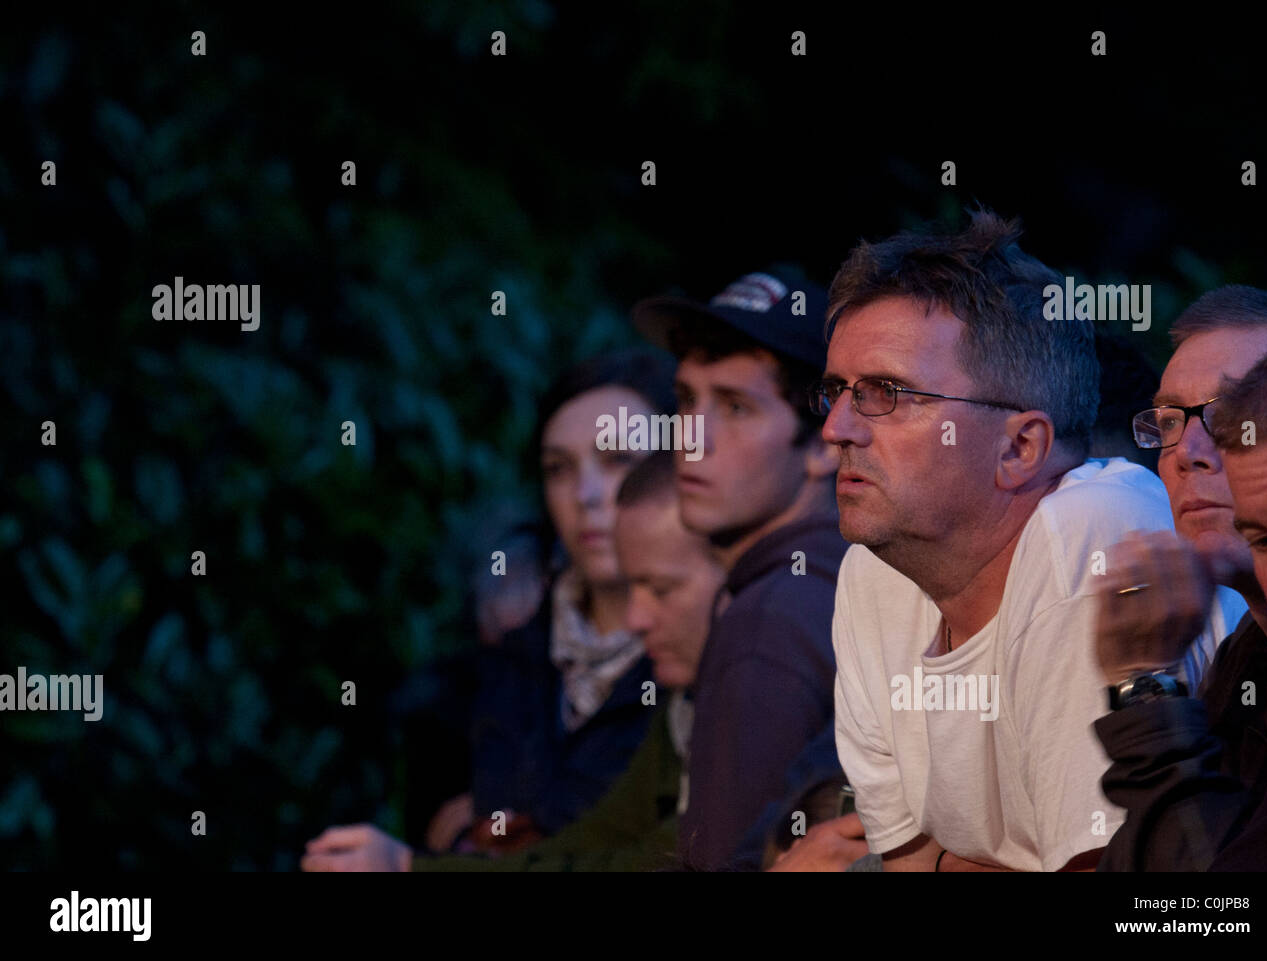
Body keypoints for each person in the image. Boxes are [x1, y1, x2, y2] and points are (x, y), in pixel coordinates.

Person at [824, 210, 1181, 872]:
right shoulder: (872, 574)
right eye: (836, 391)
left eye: (888, 393)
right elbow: (911, 862)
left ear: (1021, 447)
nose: (836, 427)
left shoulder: (1093, 534)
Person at [301, 349, 675, 870]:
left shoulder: (701, 651)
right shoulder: (505, 650)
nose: (585, 494)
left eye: (619, 460)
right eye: (558, 468)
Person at [633, 268, 855, 871]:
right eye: (685, 401)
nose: (692, 437)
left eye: (734, 407)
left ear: (820, 446)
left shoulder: (769, 621)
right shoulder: (841, 582)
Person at [1094, 299, 1267, 871]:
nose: (1187, 453)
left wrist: (1144, 686)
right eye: (1167, 422)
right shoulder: (1250, 656)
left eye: (1235, 416)